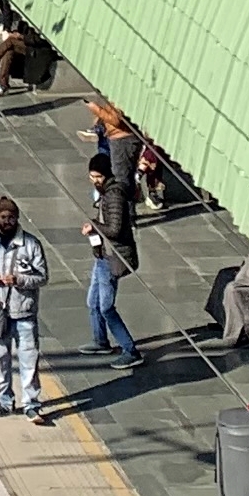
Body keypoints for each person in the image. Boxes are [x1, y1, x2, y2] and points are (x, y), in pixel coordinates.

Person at [0, 197, 50, 416]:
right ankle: (4, 401)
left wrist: (19, 280)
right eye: (3, 217)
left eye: (11, 217)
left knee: (29, 360)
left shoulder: (31, 244)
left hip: (24, 312)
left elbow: (43, 276)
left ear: (17, 218)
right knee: (0, 359)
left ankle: (32, 404)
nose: (7, 221)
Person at [84, 109, 143, 364]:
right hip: (103, 255)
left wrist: (94, 226)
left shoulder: (114, 195)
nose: (94, 180)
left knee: (106, 306)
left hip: (114, 257)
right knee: (93, 301)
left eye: (97, 176)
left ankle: (130, 351)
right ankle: (100, 341)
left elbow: (116, 229)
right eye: (92, 176)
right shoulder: (106, 193)